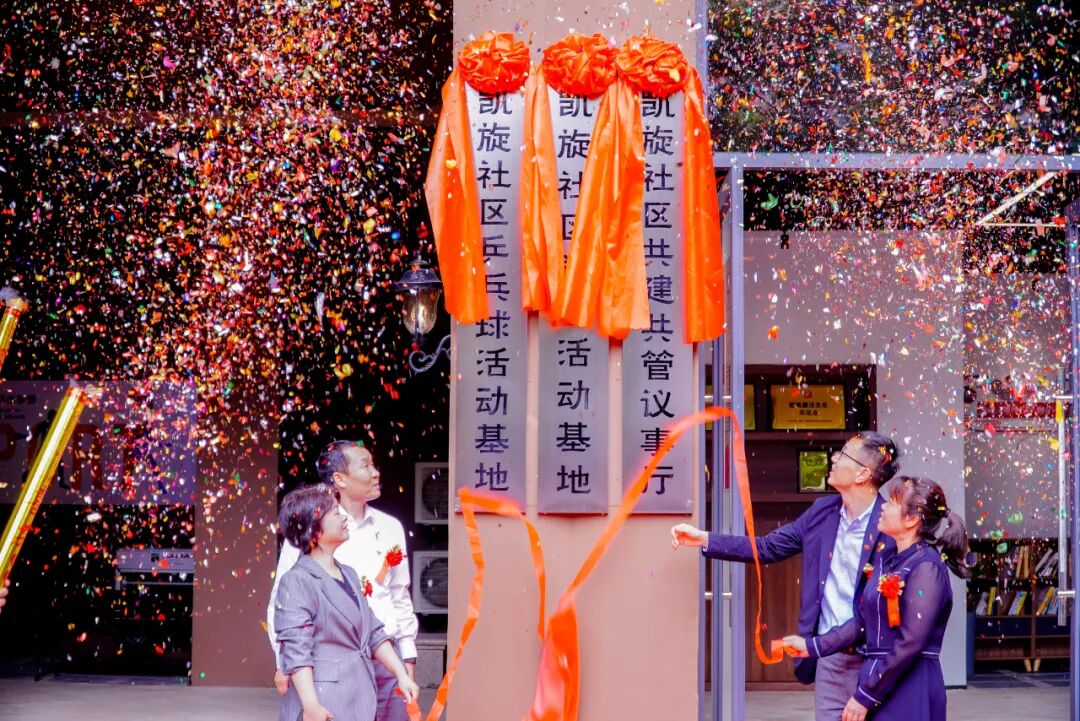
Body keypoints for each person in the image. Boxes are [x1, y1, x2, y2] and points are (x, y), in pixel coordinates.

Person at [671, 431, 901, 721]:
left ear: (863, 474)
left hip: (874, 659)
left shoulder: (889, 524)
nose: (834, 458)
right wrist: (706, 539)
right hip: (828, 660)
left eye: (843, 454)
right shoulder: (823, 512)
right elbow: (768, 547)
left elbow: (882, 609)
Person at [782, 476, 969, 721]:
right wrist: (812, 646)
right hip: (879, 679)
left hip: (910, 684)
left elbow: (910, 642)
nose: (882, 507)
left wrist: (865, 695)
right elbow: (861, 623)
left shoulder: (926, 568)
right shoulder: (887, 561)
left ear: (911, 519)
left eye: (891, 503)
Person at [269, 441, 419, 721]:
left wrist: (403, 667)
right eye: (366, 466)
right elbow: (295, 641)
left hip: (376, 668)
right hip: (329, 685)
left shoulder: (349, 570)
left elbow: (380, 621)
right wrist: (291, 673)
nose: (375, 472)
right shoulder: (298, 576)